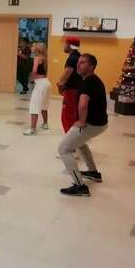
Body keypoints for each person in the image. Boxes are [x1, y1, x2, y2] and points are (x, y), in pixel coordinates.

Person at [58, 54, 108, 197]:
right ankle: (93, 172)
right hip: (101, 123)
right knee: (81, 143)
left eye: (83, 63)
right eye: (78, 62)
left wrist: (81, 121)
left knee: (63, 149)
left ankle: (80, 186)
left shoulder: (88, 83)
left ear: (91, 66)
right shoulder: (92, 80)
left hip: (92, 124)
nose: (78, 65)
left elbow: (83, 104)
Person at [24, 43, 51, 135]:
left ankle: (32, 128)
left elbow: (34, 71)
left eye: (33, 46)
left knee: (34, 105)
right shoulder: (45, 59)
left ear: (37, 49)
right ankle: (45, 124)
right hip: (46, 83)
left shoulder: (37, 58)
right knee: (44, 104)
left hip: (40, 84)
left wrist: (31, 78)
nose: (31, 48)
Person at [57, 37, 82, 133]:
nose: (64, 46)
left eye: (65, 44)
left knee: (68, 115)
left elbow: (66, 75)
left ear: (70, 46)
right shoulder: (79, 56)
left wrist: (60, 86)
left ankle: (70, 136)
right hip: (77, 90)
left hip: (71, 91)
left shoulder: (72, 59)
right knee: (74, 114)